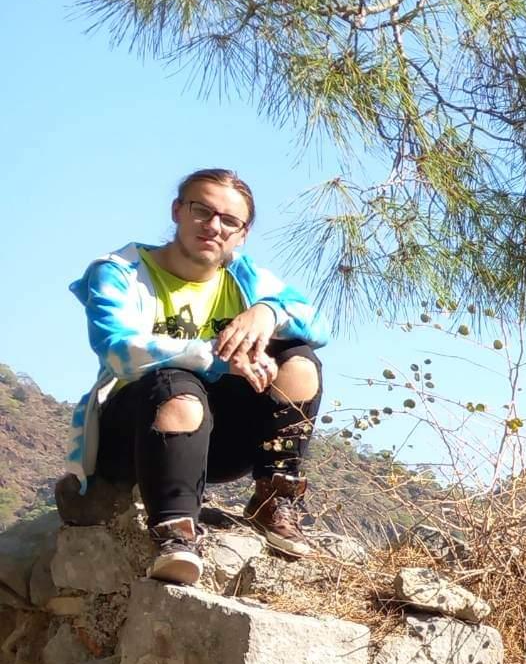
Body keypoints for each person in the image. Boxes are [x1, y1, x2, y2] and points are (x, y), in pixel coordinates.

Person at [63, 168, 330, 585]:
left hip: (216, 445)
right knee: (176, 383)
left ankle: (273, 499)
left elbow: (318, 325)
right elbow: (118, 350)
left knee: (298, 360)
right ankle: (173, 533)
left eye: (230, 220)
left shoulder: (246, 279)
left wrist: (268, 312)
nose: (214, 226)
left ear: (243, 234)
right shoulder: (120, 271)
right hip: (136, 435)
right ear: (177, 211)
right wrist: (216, 358)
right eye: (201, 211)